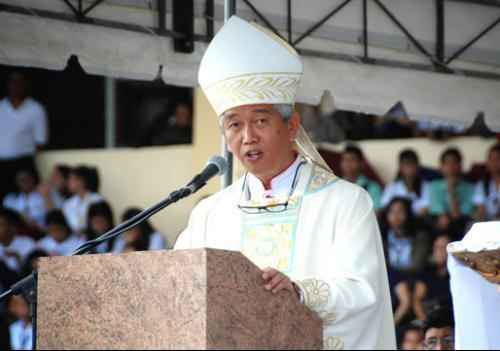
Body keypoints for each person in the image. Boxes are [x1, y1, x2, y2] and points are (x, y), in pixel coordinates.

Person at [174, 16, 396, 349]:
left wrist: (299, 291)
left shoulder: (346, 202)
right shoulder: (210, 214)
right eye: (234, 125)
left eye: (260, 120)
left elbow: (364, 292)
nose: (247, 137)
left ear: (292, 125)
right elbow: (179, 286)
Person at [0, 72, 48, 203]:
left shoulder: (35, 109)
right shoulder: (1, 107)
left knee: (29, 200)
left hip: (23, 163)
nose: (16, 86)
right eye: (13, 82)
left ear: (25, 85)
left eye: (19, 83)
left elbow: (41, 141)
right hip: (2, 164)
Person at [429, 148, 474, 239]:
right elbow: (439, 214)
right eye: (447, 163)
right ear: (441, 166)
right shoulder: (433, 186)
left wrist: (451, 190)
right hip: (440, 224)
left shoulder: (469, 187)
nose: (451, 166)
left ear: (460, 165)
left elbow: (457, 215)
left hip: (460, 223)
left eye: (454, 162)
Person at [381, 198, 430, 277]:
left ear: (408, 213)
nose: (395, 216)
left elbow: (417, 266)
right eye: (392, 211)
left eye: (400, 211)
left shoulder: (420, 237)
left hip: (414, 278)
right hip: (389, 280)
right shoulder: (383, 237)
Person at [413, 235, 452, 322]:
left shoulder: (457, 274)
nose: (438, 251)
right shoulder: (426, 272)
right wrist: (425, 321)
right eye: (436, 247)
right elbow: (417, 300)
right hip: (429, 318)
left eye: (442, 248)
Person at [381, 149, 430, 216]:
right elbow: (385, 207)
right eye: (406, 164)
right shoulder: (392, 187)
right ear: (400, 167)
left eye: (412, 164)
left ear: (417, 166)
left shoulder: (426, 186)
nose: (409, 167)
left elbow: (426, 209)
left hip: (418, 223)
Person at [62, 166, 103, 234]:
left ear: (82, 181)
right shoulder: (68, 204)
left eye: (72, 179)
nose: (68, 182)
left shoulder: (97, 200)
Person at [340, 145, 383, 210]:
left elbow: (376, 213)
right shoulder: (336, 185)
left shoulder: (372, 187)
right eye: (345, 159)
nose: (347, 164)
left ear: (361, 163)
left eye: (352, 159)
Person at [0, 208, 35, 273]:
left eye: (1, 225)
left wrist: (18, 258)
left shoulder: (27, 243)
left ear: (12, 227)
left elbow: (35, 272)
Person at [473, 143, 500, 221]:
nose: (494, 162)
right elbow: (480, 211)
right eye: (491, 159)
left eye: (498, 158)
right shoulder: (482, 185)